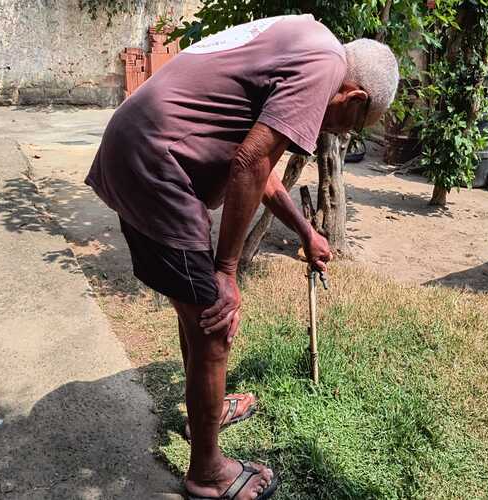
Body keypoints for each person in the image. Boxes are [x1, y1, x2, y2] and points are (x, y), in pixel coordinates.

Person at [86, 14, 399, 500]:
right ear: (353, 98)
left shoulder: (305, 42)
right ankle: (207, 472)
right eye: (352, 127)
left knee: (195, 309)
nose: (338, 136)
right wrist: (227, 270)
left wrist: (305, 231)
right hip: (156, 165)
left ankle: (204, 409)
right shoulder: (324, 65)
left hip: (138, 147)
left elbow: (262, 169)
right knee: (216, 318)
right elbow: (250, 161)